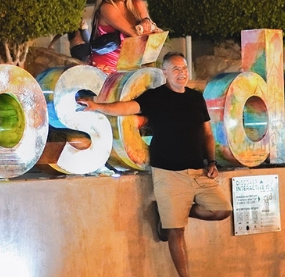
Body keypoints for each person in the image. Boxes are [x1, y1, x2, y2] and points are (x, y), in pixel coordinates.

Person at [78, 52, 231, 277]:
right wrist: (97, 106)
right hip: (168, 173)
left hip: (198, 171)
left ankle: (173, 213)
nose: (182, 73)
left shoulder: (195, 98)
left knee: (222, 210)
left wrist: (212, 162)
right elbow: (126, 107)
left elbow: (207, 133)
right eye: (176, 69)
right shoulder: (155, 97)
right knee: (176, 231)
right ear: (165, 73)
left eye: (185, 68)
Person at [87, 0, 157, 73]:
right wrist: (146, 26)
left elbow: (156, 33)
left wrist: (147, 22)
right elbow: (134, 33)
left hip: (129, 67)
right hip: (106, 68)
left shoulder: (137, 4)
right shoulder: (107, 8)